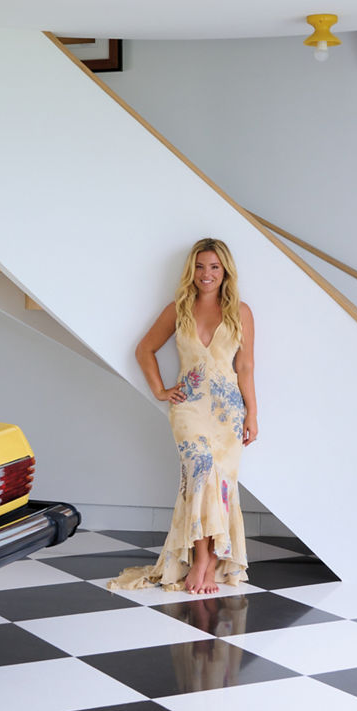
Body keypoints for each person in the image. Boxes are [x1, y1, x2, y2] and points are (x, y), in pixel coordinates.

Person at [108, 238, 257, 595]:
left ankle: (210, 560)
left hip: (227, 412)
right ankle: (202, 560)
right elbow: (144, 349)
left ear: (225, 272)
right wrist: (160, 390)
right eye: (200, 267)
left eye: (214, 267)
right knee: (200, 474)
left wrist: (253, 413)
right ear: (192, 271)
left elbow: (245, 366)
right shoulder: (179, 309)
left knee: (220, 484)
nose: (207, 274)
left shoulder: (240, 311)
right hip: (189, 408)